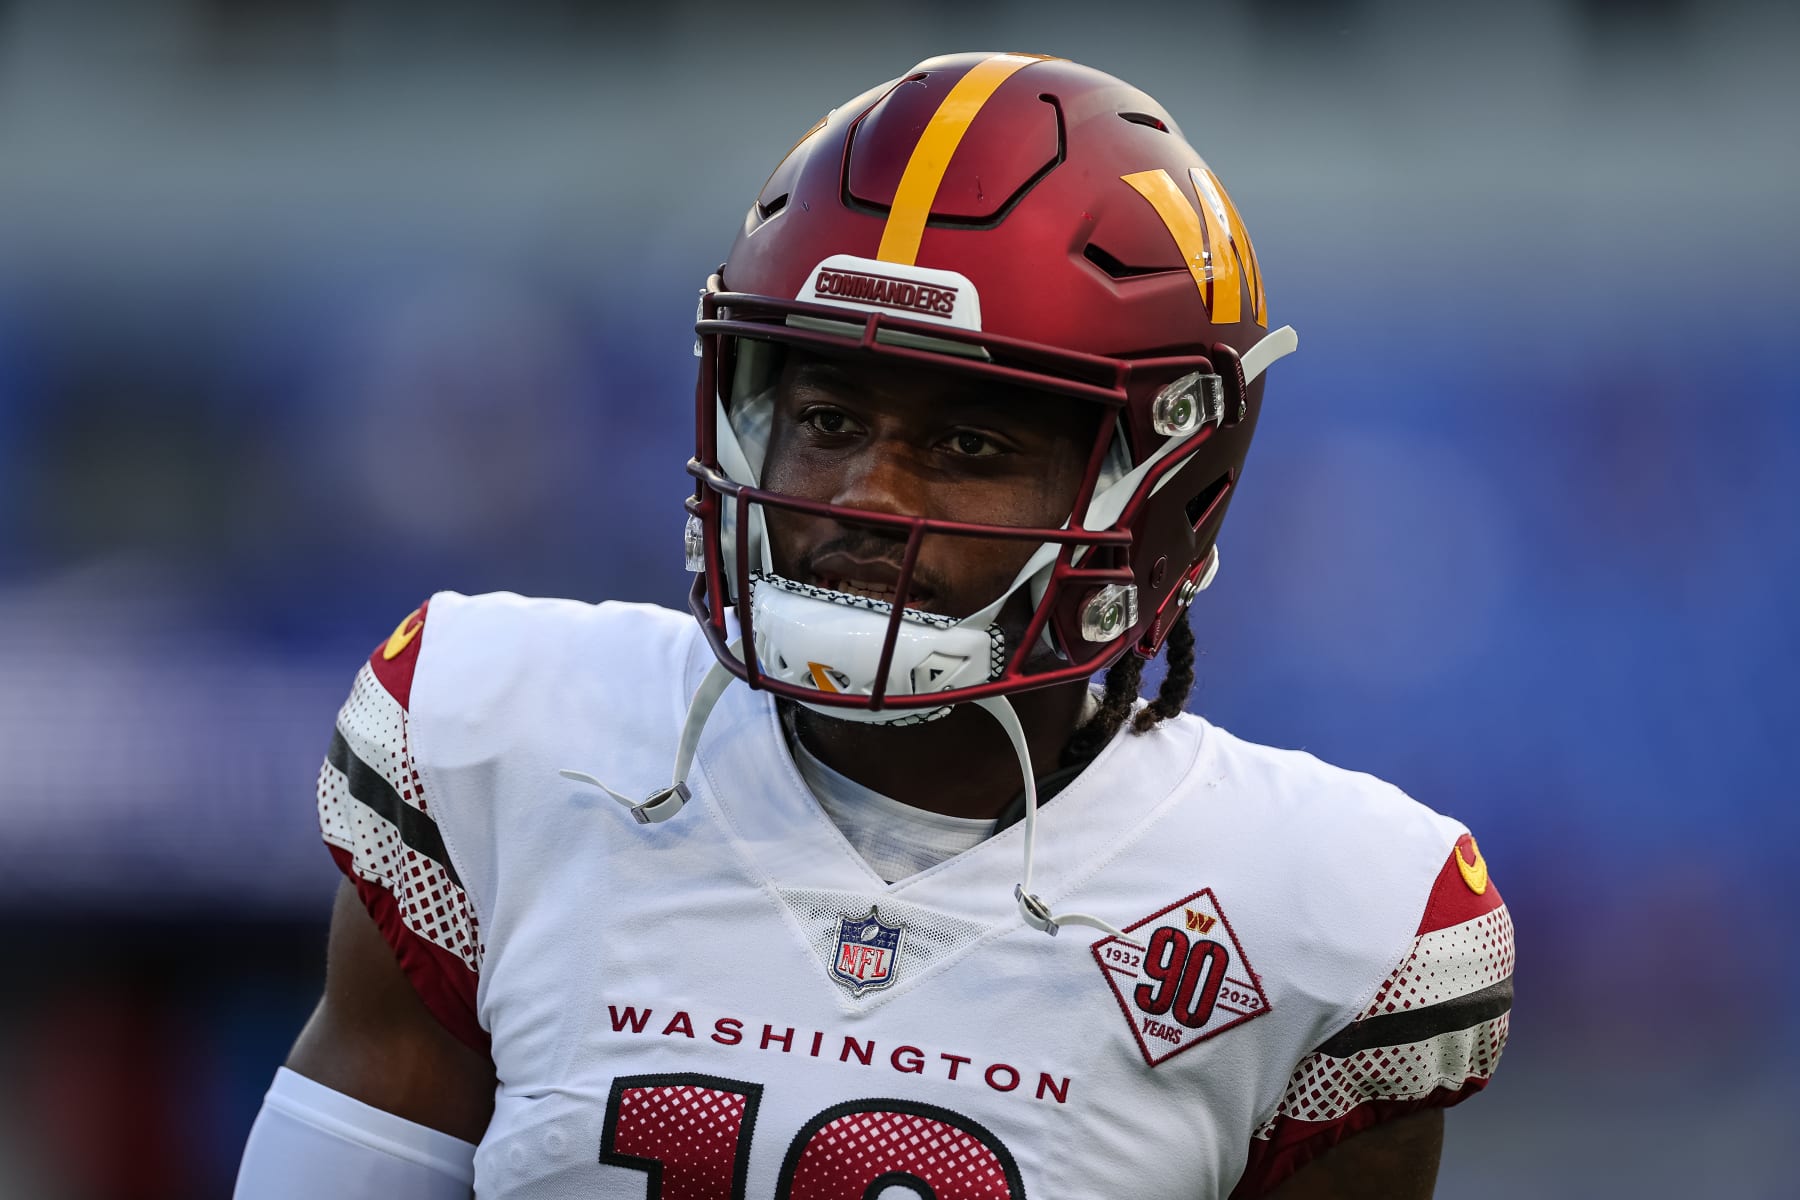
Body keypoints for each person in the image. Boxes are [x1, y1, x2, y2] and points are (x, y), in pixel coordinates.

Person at [235, 51, 1512, 1200]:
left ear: (1165, 492)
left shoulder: (1321, 916)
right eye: (831, 421)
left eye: (966, 444)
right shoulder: (505, 744)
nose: (865, 499)